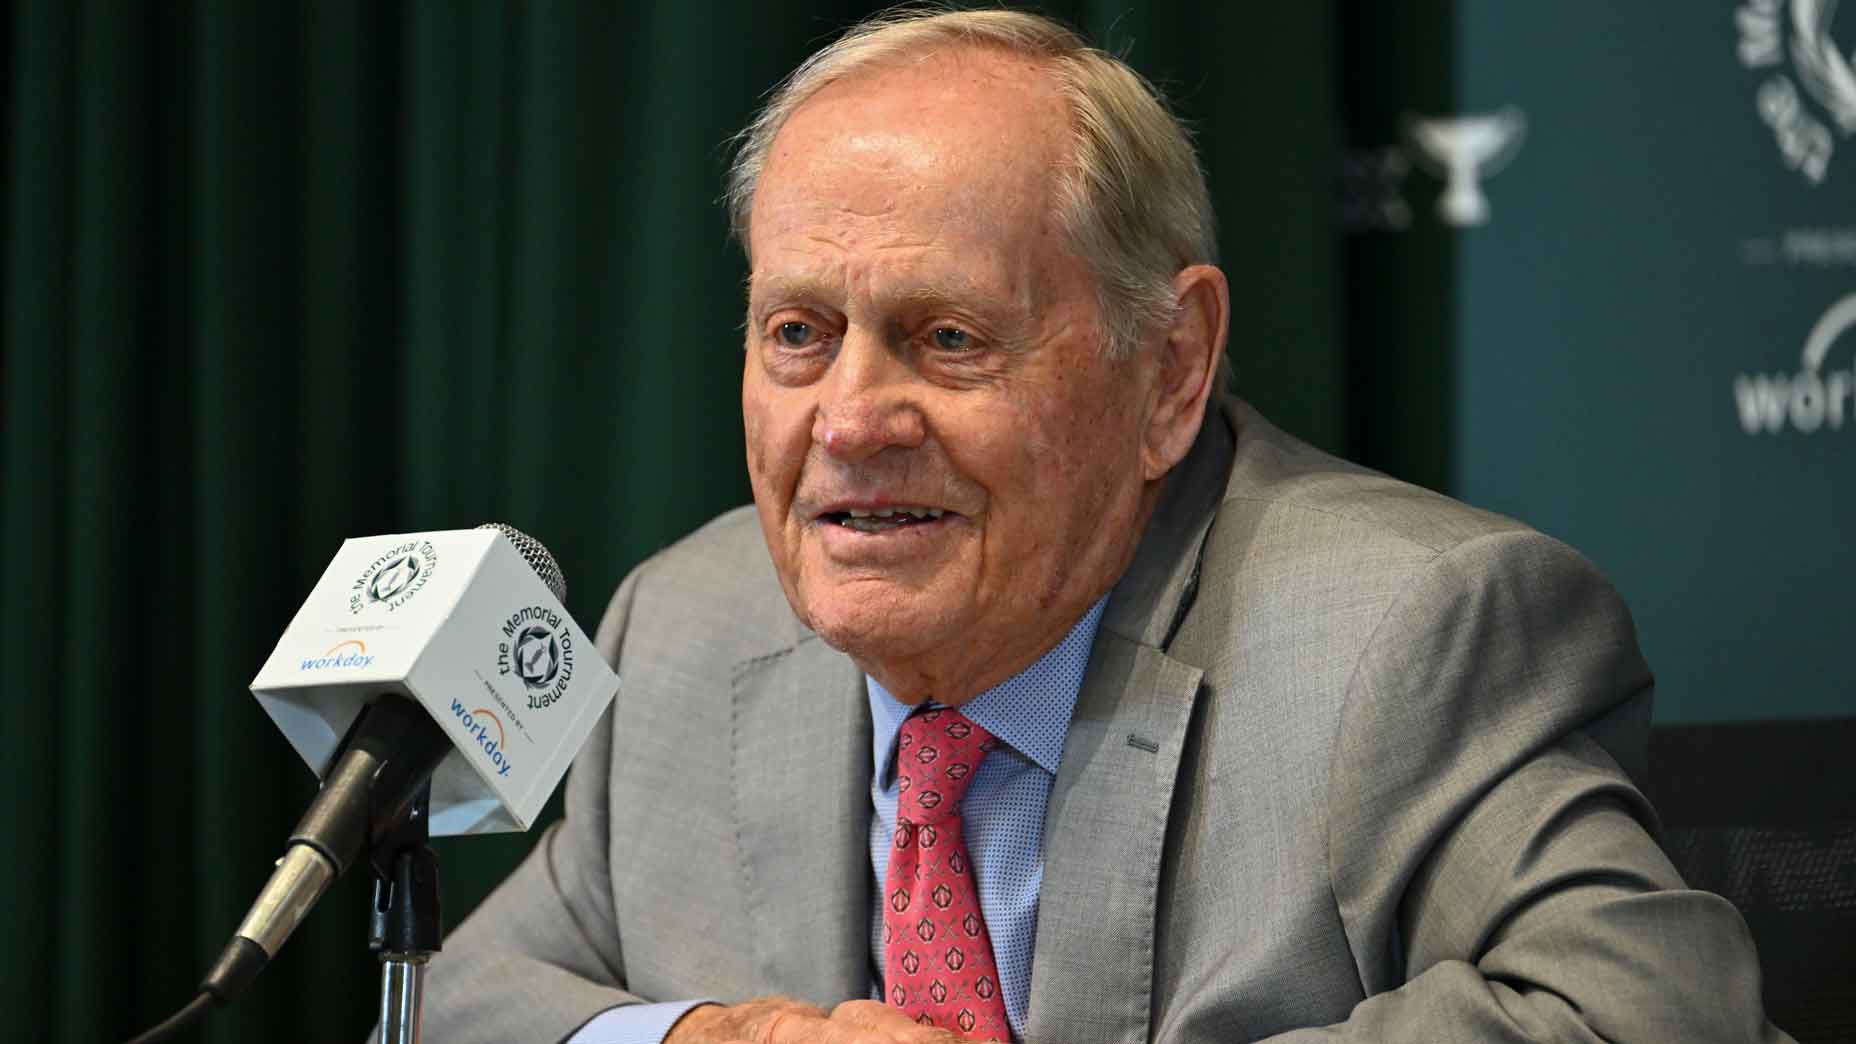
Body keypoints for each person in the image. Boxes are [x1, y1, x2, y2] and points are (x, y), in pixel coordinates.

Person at [398, 9, 1788, 1043]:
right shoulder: (691, 627)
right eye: (799, 334)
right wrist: (715, 1037)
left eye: (946, 338)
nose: (850, 418)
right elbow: (460, 1008)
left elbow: (1649, 1017)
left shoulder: (1409, 637)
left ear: (1170, 366)